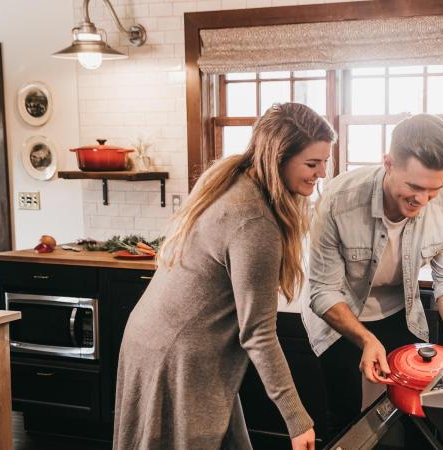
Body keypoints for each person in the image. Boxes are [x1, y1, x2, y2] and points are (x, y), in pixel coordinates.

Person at [113, 103, 336, 450]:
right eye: (312, 163)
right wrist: (296, 419)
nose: (321, 173)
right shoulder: (254, 221)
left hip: (157, 340)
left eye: (325, 161)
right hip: (179, 355)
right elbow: (258, 334)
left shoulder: (235, 179)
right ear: (278, 157)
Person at [302, 113, 443, 437]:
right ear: (388, 163)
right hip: (340, 312)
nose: (422, 200)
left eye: (433, 190)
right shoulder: (338, 201)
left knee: (421, 416)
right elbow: (323, 290)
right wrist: (366, 339)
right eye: (414, 186)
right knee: (347, 418)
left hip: (401, 311)